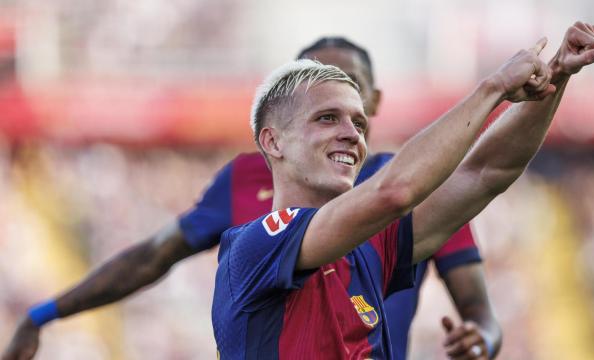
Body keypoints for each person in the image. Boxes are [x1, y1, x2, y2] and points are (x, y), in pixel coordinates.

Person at [3, 39, 499, 359]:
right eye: (314, 93)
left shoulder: (418, 182)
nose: (336, 108)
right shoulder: (250, 186)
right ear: (277, 131)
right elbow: (153, 255)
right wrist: (47, 313)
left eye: (349, 97)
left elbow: (480, 300)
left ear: (373, 102)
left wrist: (483, 340)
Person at [210, 22, 594, 359]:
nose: (351, 135)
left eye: (359, 123)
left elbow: (487, 171)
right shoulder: (253, 246)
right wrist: (494, 87)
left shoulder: (366, 247)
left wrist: (555, 75)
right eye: (327, 118)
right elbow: (395, 192)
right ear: (273, 142)